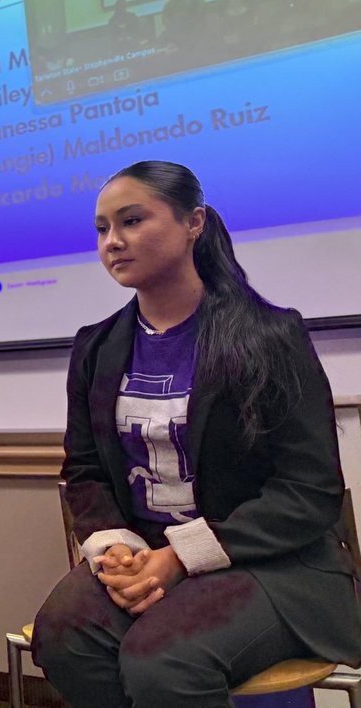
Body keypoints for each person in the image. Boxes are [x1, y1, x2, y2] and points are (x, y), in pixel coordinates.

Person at [31, 160, 361, 708]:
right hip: (146, 557)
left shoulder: (270, 336)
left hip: (269, 565)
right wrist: (114, 546)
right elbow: (85, 470)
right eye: (102, 228)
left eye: (132, 220)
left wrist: (183, 555)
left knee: (164, 660)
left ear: (194, 223)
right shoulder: (95, 348)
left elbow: (309, 491)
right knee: (65, 636)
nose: (113, 241)